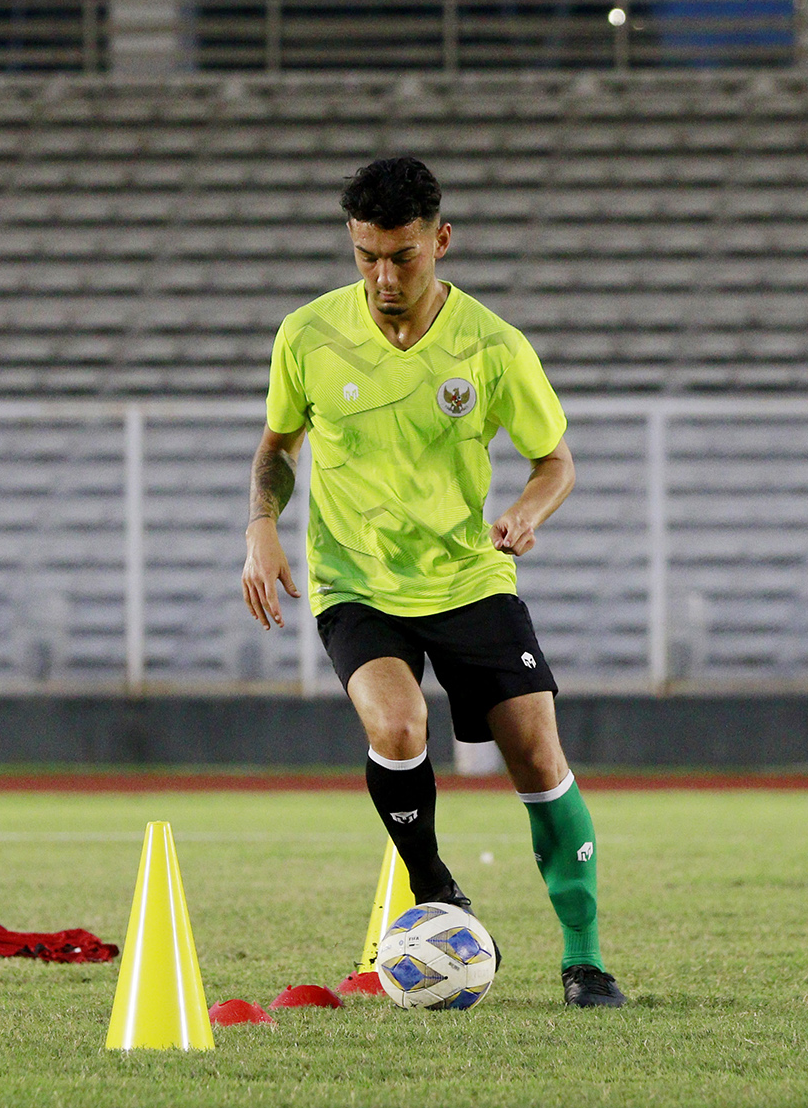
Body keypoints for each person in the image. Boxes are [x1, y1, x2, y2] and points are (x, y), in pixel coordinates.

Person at [240, 155, 625, 1008]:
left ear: (440, 242)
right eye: (366, 256)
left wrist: (529, 511)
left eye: (402, 256)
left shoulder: (491, 345)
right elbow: (276, 447)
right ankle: (436, 890)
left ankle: (586, 960)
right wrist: (261, 528)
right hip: (357, 581)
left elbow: (556, 461)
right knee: (397, 721)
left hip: (468, 576)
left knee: (536, 754)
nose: (383, 277)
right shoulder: (306, 335)